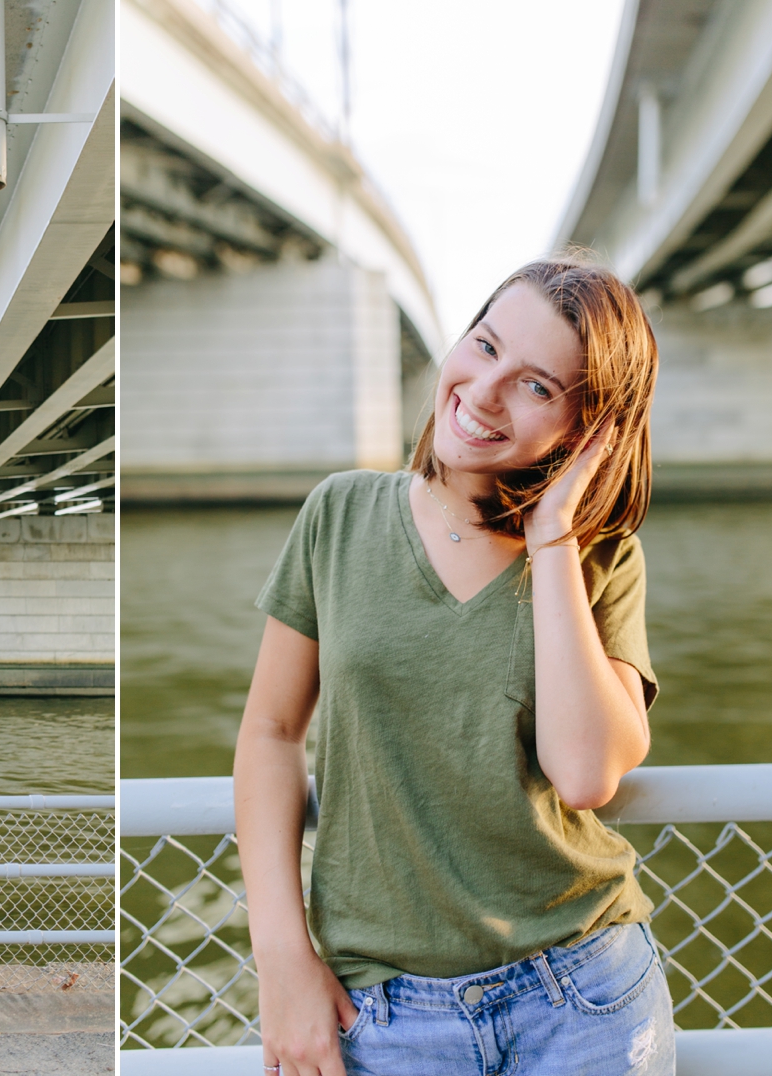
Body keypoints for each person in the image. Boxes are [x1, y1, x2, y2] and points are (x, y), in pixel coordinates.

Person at [234, 257, 675, 1075]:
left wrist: (553, 541)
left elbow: (582, 774)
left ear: (589, 428)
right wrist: (283, 958)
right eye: (483, 346)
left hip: (581, 996)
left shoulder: (599, 557)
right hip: (384, 1012)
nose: (482, 391)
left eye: (538, 386)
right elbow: (269, 731)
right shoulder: (339, 515)